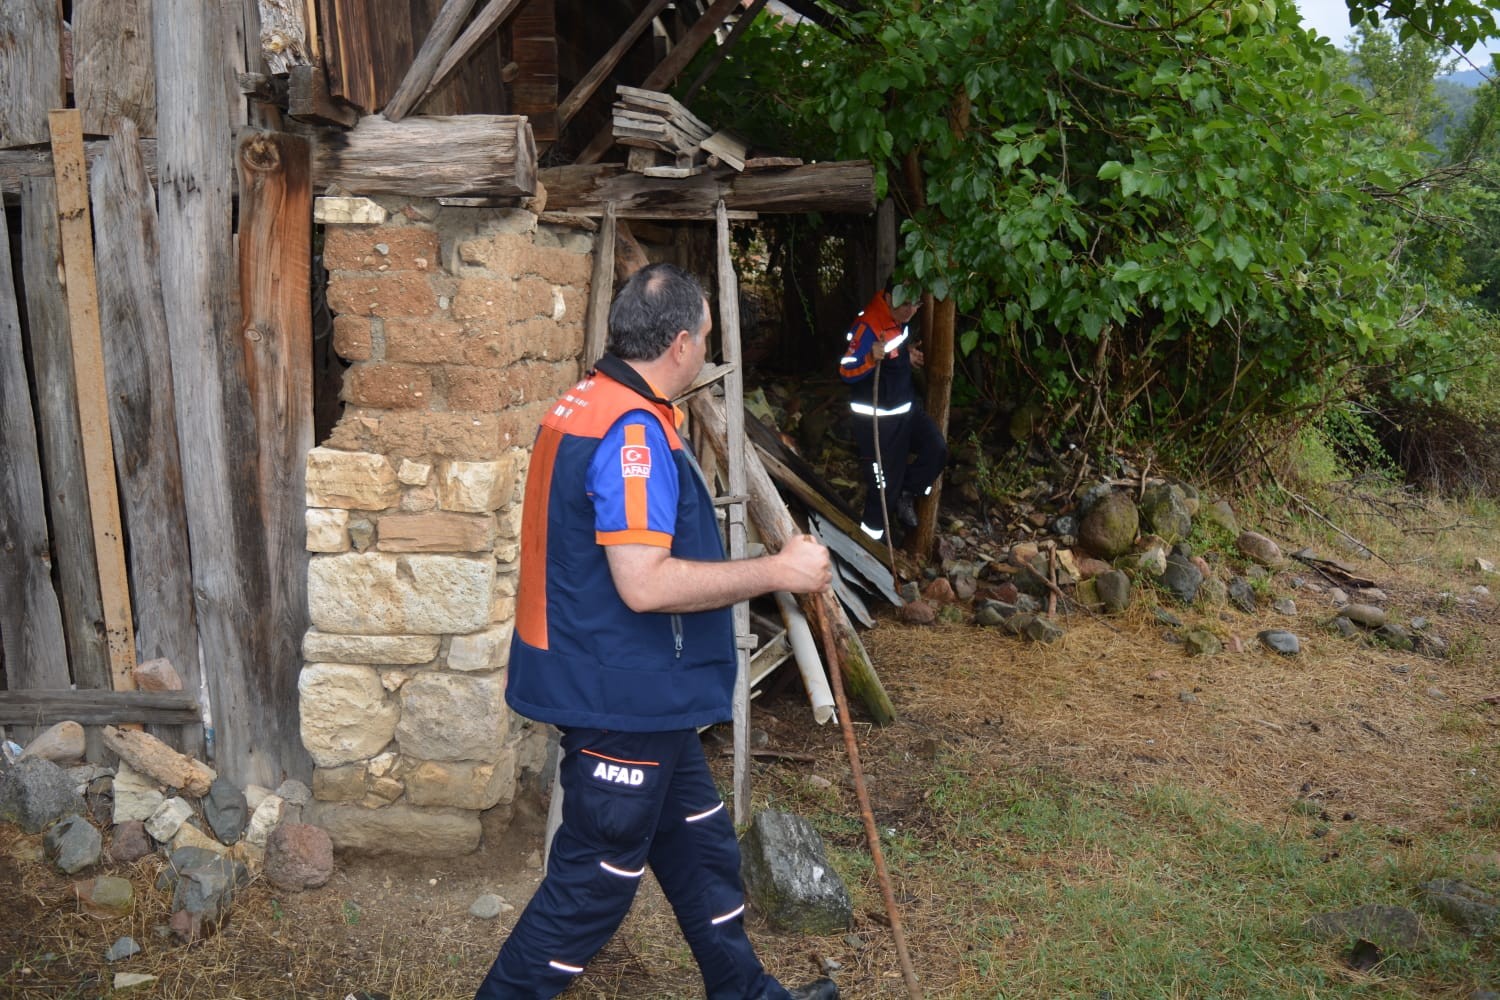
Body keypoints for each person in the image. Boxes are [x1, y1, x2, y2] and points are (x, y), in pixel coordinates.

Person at [476, 262, 839, 1000]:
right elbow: (642, 584)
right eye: (706, 335)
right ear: (679, 343)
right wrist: (778, 571)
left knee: (701, 848)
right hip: (619, 694)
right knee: (594, 885)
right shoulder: (630, 432)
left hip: (635, 688)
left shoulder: (588, 401)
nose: (706, 348)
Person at [837, 287, 948, 542]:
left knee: (936, 449)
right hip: (878, 424)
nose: (910, 311)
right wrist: (868, 358)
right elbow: (846, 370)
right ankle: (868, 551)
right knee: (882, 492)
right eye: (904, 304)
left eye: (915, 304)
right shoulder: (868, 326)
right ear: (888, 298)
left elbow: (894, 348)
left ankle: (906, 492)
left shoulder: (900, 321)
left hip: (906, 412)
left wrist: (904, 356)